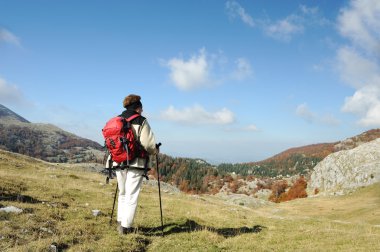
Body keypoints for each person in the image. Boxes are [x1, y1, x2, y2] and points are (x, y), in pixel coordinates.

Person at [106, 94, 157, 234]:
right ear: (138, 108)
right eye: (141, 108)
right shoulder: (141, 121)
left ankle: (120, 221)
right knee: (131, 195)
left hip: (117, 161)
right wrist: (155, 150)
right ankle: (126, 227)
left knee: (122, 192)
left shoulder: (117, 120)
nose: (142, 111)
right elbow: (149, 144)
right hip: (136, 163)